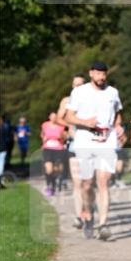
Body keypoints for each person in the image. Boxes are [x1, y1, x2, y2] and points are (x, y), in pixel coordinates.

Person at [65, 61, 125, 240]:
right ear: (91, 73)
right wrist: (85, 123)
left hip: (106, 142)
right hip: (85, 140)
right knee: (86, 183)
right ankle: (88, 213)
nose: (102, 77)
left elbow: (118, 114)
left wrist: (119, 126)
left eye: (104, 73)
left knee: (103, 182)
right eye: (98, 73)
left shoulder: (113, 92)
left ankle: (103, 225)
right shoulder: (79, 92)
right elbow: (68, 116)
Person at [57, 74, 86, 227]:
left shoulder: (92, 99)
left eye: (80, 84)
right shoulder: (67, 101)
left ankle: (88, 208)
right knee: (77, 182)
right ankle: (79, 215)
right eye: (75, 85)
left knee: (89, 182)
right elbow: (58, 118)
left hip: (90, 145)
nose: (77, 87)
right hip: (74, 144)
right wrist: (69, 127)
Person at [40, 112, 67, 196]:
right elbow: (42, 134)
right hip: (47, 149)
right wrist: (43, 139)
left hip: (58, 149)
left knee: (56, 170)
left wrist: (61, 137)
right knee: (49, 169)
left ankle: (54, 184)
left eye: (55, 117)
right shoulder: (45, 125)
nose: (53, 118)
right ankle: (49, 186)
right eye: (52, 117)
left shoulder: (61, 126)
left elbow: (64, 137)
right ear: (49, 117)